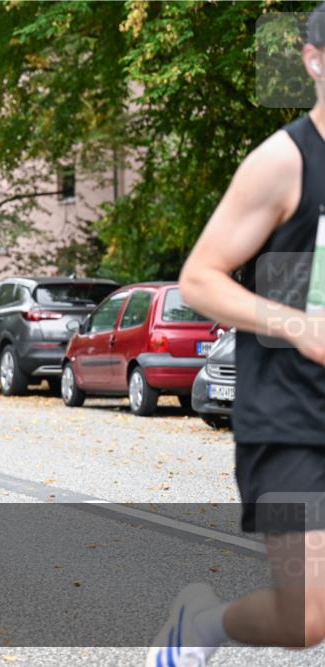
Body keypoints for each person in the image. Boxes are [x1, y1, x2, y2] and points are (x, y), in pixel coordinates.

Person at [147, 6, 325, 665]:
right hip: (291, 414)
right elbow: (199, 278)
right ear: (314, 60)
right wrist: (296, 323)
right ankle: (204, 622)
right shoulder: (284, 162)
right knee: (306, 617)